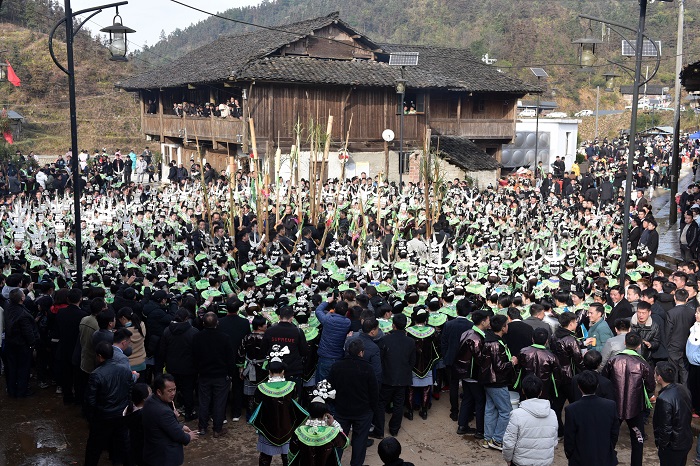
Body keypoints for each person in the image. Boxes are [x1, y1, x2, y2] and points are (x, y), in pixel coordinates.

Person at [602, 332, 655, 466]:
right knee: (638, 438)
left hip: (615, 405)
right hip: (635, 407)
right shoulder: (642, 363)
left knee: (610, 436)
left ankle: (607, 460)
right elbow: (650, 386)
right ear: (638, 346)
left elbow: (604, 380)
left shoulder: (613, 360)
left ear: (625, 343)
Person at [328, 338, 379, 466]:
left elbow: (329, 389)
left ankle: (336, 462)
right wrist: (372, 409)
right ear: (361, 352)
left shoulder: (336, 366)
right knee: (360, 442)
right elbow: (374, 392)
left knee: (339, 439)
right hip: (362, 412)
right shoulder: (368, 368)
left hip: (342, 410)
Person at [249, 358, 308, 466]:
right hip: (287, 427)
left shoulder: (261, 388)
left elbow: (255, 408)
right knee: (287, 456)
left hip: (267, 428)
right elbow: (295, 406)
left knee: (265, 456)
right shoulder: (292, 386)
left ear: (269, 372)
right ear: (283, 372)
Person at [84, 341, 134, 466]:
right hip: (121, 416)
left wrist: (91, 418)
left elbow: (90, 401)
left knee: (94, 449)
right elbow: (129, 392)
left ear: (99, 356)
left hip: (103, 417)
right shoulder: (125, 371)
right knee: (122, 445)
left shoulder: (96, 374)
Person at [191, 312, 236, 437]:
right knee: (219, 402)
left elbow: (194, 357)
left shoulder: (197, 337)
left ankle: (203, 427)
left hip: (204, 374)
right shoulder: (224, 337)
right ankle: (217, 428)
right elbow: (230, 358)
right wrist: (230, 373)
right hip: (221, 375)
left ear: (204, 323)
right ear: (217, 323)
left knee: (204, 402)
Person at [564, 370, 619, 466]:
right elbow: (614, 432)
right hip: (604, 457)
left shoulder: (571, 409)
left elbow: (569, 438)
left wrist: (571, 455)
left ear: (579, 387)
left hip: (580, 459)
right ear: (597, 386)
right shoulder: (610, 405)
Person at [478, 314, 517, 451]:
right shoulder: (495, 344)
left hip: (488, 380)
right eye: (506, 324)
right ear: (502, 328)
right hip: (497, 381)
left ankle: (487, 438)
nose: (508, 326)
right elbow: (500, 367)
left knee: (490, 410)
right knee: (506, 411)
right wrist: (512, 362)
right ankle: (497, 439)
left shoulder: (489, 339)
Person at [142, 374, 198, 466]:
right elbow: (177, 434)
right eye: (169, 391)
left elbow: (163, 424)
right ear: (159, 392)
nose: (173, 393)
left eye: (174, 389)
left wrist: (181, 426)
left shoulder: (150, 400)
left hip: (153, 453)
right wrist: (188, 437)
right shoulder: (163, 411)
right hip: (164, 457)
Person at [502, 375, 558, 466]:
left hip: (521, 463)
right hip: (544, 463)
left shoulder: (516, 414)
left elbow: (509, 443)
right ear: (540, 392)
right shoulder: (552, 414)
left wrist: (508, 459)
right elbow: (554, 442)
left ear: (523, 391)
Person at [376, 313, 416, 438]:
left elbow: (380, 360)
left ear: (393, 325)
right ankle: (394, 429)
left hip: (387, 377)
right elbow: (412, 361)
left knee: (381, 403)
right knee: (399, 404)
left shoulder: (385, 340)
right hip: (402, 378)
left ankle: (379, 430)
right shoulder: (410, 341)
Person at [159, 308, 199, 421]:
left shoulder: (167, 331)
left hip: (172, 367)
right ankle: (188, 412)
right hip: (189, 368)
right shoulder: (193, 332)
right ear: (186, 319)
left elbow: (162, 350)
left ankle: (171, 411)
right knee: (188, 390)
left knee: (171, 390)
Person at [287, 393, 349, 466]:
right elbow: (345, 443)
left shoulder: (299, 431)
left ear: (309, 413)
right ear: (325, 415)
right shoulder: (333, 432)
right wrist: (334, 423)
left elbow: (291, 453)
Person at [217, 297, 251, 422]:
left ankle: (222, 414)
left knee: (222, 387)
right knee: (238, 385)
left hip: (223, 359)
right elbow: (247, 341)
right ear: (238, 309)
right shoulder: (245, 322)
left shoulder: (220, 322)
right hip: (239, 359)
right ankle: (236, 413)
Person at [653, 361, 693, 466]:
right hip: (685, 440)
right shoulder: (683, 389)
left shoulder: (664, 399)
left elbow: (665, 428)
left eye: (655, 373)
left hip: (673, 446)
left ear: (659, 377)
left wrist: (661, 444)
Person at [440, 298, 473, 421]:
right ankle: (467, 413)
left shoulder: (449, 324)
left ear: (457, 310)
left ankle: (454, 411)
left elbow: (443, 342)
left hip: (451, 359)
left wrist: (446, 355)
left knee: (453, 386)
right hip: (467, 360)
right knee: (467, 387)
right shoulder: (471, 325)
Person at [3, 288, 39, 397]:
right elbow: (27, 333)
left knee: (12, 368)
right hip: (22, 345)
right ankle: (22, 391)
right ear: (22, 298)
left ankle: (12, 389)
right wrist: (33, 343)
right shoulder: (23, 314)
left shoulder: (8, 308)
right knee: (23, 368)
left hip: (10, 343)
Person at [405, 308, 438, 420]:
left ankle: (410, 412)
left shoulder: (408, 331)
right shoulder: (432, 331)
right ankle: (424, 411)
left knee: (410, 389)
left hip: (412, 365)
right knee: (426, 388)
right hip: (427, 363)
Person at [314, 293, 351, 382]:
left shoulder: (327, 319)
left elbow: (318, 310)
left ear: (334, 310)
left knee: (322, 385)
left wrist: (328, 301)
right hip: (338, 357)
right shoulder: (347, 323)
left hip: (325, 357)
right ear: (346, 312)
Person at [666, 288, 695, 384]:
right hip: (687, 345)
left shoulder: (671, 313)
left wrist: (667, 344)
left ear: (674, 297)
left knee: (673, 371)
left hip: (673, 345)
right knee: (684, 371)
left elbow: (668, 331)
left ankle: (674, 391)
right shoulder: (692, 312)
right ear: (687, 299)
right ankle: (685, 391)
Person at [123, 383, 150, 466]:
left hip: (131, 446)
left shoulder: (129, 409)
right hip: (142, 449)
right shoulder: (143, 415)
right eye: (151, 393)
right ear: (145, 398)